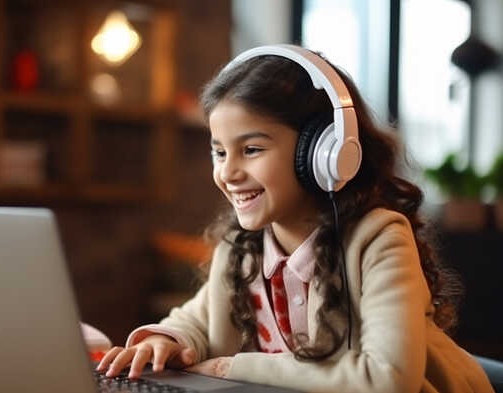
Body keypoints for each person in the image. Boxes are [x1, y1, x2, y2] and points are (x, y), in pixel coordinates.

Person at [97, 44, 494, 393]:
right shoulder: (242, 249)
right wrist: (165, 340)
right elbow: (197, 319)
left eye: (251, 149)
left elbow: (386, 378)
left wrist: (229, 368)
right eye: (219, 152)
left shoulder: (379, 239)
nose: (228, 172)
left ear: (324, 152)